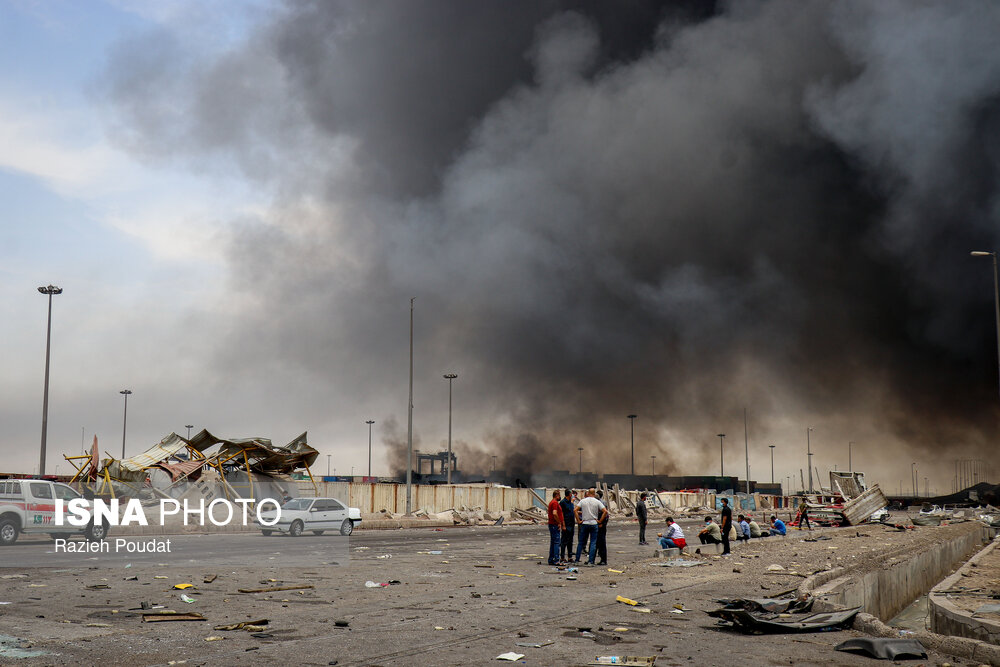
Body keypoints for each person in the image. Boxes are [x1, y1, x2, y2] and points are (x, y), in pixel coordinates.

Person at [574, 488, 607, 565]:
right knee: (593, 543)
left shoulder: (583, 501)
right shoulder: (597, 502)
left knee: (581, 542)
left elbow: (575, 510)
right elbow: (605, 511)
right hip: (593, 523)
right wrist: (600, 521)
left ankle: (577, 560)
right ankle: (591, 561)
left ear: (588, 493)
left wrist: (578, 520)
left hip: (585, 523)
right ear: (594, 494)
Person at [546, 490, 564, 566]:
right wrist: (559, 522)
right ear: (557, 495)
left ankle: (551, 559)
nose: (560, 497)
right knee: (556, 542)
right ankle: (556, 560)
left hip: (552, 524)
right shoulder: (554, 503)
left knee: (553, 542)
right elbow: (554, 513)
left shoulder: (552, 502)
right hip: (554, 524)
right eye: (559, 495)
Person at [559, 488, 576, 562]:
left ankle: (570, 556)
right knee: (564, 541)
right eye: (571, 494)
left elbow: (572, 511)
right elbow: (561, 514)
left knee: (570, 541)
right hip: (566, 524)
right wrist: (563, 525)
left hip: (571, 524)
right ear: (569, 494)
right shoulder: (563, 502)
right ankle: (562, 557)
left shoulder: (570, 502)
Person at [595, 490, 609, 565]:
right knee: (596, 542)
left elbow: (605, 514)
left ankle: (603, 560)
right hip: (599, 524)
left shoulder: (600, 503)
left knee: (601, 542)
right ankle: (594, 559)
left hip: (600, 525)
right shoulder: (604, 502)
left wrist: (601, 523)